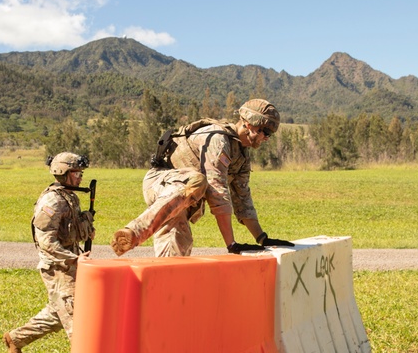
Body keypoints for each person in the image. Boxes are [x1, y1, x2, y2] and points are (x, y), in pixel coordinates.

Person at [110, 98, 295, 257]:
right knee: (198, 181)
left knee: (175, 254)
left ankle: (157, 280)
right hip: (162, 183)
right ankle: (135, 231)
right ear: (248, 123)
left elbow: (243, 199)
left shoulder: (242, 155)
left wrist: (262, 238)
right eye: (265, 131)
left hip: (182, 199)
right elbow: (217, 191)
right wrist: (231, 245)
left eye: (270, 134)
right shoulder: (218, 139)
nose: (267, 138)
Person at [3, 152, 95, 353]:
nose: (80, 177)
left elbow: (72, 230)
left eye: (81, 172)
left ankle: (17, 338)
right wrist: (74, 259)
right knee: (76, 315)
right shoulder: (52, 200)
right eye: (76, 172)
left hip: (71, 262)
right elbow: (46, 242)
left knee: (58, 312)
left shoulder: (70, 196)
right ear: (63, 173)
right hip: (58, 266)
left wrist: (87, 231)